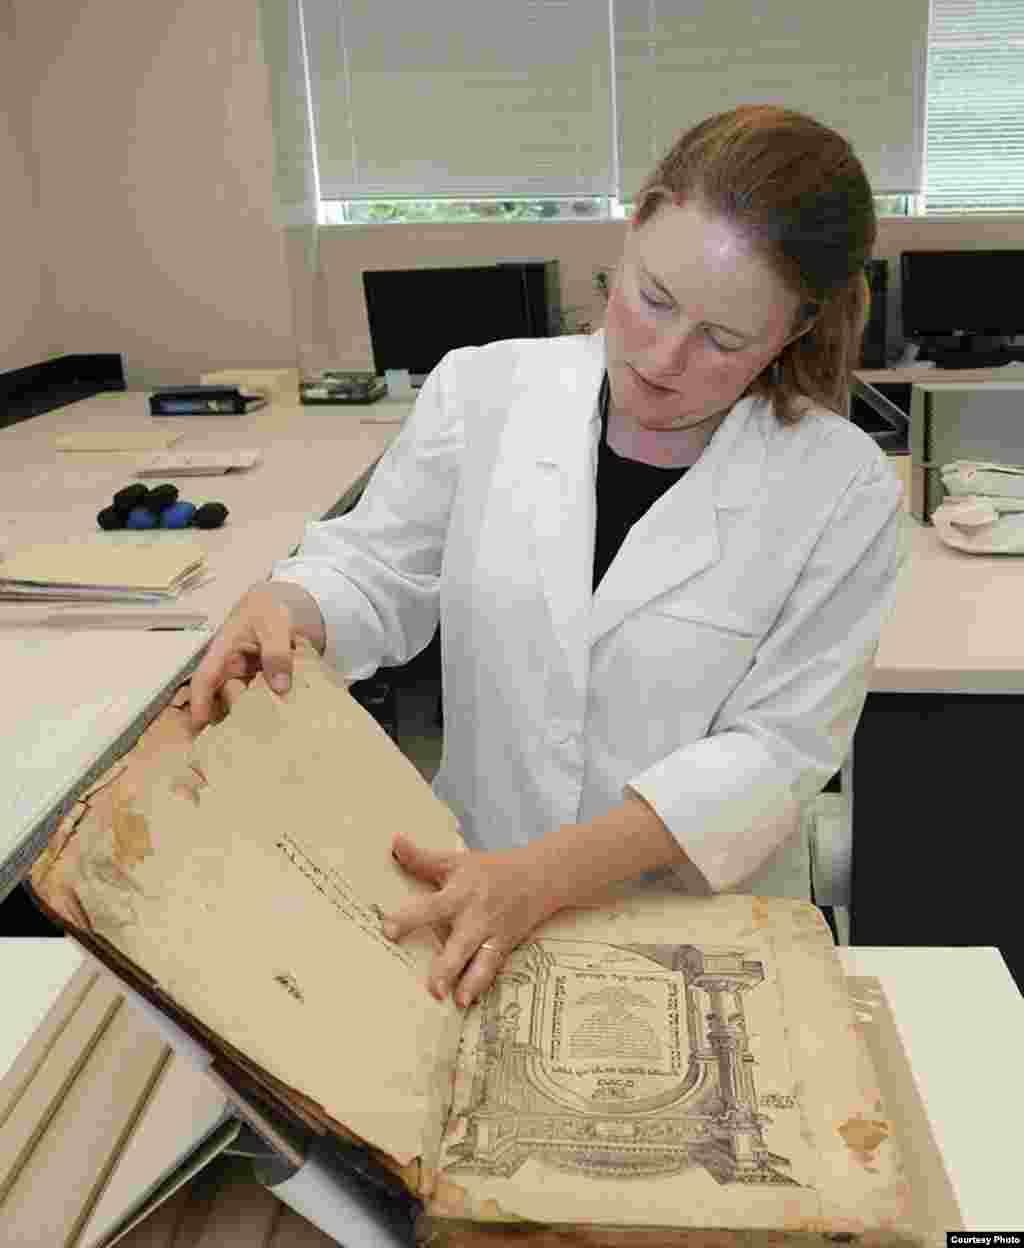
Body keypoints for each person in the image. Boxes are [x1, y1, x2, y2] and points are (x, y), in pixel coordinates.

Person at [189, 105, 905, 1013]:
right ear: (636, 222)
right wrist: (289, 606)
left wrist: (547, 876)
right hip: (471, 888)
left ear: (797, 328)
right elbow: (379, 571)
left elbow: (779, 747)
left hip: (694, 927)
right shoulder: (483, 390)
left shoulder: (840, 487)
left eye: (725, 341)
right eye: (651, 298)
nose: (664, 357)